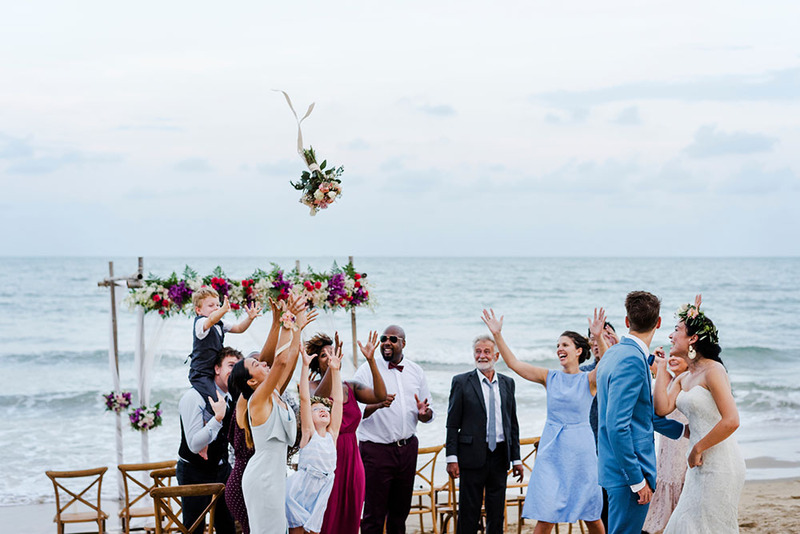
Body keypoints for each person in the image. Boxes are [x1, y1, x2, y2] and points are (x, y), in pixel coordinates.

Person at [481, 309, 604, 534]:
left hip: (581, 451)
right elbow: (514, 364)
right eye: (558, 345)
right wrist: (497, 335)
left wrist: (599, 337)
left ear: (578, 351)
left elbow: (606, 366)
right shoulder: (549, 377)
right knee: (547, 514)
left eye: (564, 345)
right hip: (552, 450)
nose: (559, 349)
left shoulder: (589, 380)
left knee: (591, 514)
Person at [595, 291, 686, 534]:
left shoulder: (613, 354)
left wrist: (684, 431)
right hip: (628, 472)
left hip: (614, 466)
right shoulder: (632, 360)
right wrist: (637, 480)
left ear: (627, 321)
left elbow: (641, 415)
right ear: (658, 322)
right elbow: (617, 426)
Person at [654, 296, 745, 533]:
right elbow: (661, 409)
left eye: (677, 330)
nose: (671, 336)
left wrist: (697, 448)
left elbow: (732, 420)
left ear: (693, 339)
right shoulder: (684, 377)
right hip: (698, 465)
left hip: (720, 463)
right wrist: (662, 369)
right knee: (684, 524)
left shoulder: (713, 370)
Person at [230, 294, 315, 534]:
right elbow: (279, 362)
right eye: (256, 365)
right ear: (251, 381)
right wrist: (287, 319)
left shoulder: (274, 393)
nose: (262, 363)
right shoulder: (256, 401)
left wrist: (297, 325)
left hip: (275, 477)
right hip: (262, 479)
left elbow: (289, 359)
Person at [355, 325, 435, 534]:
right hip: (376, 450)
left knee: (400, 513)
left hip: (407, 449)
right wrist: (378, 404)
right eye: (383, 339)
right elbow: (355, 412)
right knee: (373, 513)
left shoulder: (416, 371)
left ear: (403, 343)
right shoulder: (366, 370)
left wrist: (423, 413)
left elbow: (428, 413)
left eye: (392, 339)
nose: (387, 342)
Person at [307, 331, 388, 534]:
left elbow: (380, 395)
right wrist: (333, 371)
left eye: (333, 352)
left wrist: (370, 361)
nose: (331, 357)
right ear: (317, 363)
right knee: (327, 519)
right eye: (324, 355)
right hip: (327, 460)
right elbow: (318, 398)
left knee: (351, 518)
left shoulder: (351, 387)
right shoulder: (312, 386)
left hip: (353, 461)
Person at [445, 334, 524, 534]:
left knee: (496, 512)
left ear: (496, 355)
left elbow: (512, 424)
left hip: (499, 456)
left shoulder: (508, 383)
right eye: (478, 352)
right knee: (468, 512)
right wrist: (451, 458)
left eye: (487, 351)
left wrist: (516, 458)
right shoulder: (461, 382)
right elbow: (452, 424)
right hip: (471, 456)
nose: (482, 356)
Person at [177, 346, 242, 534]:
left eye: (238, 366)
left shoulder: (233, 398)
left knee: (228, 527)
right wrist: (217, 418)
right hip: (194, 473)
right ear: (217, 368)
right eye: (230, 365)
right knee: (194, 529)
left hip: (222, 470)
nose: (234, 370)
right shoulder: (194, 396)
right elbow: (194, 444)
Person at [286, 343, 344, 534]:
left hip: (323, 487)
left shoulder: (332, 434)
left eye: (324, 409)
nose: (323, 410)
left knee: (314, 530)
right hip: (301, 487)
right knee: (297, 529)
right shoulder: (309, 434)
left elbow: (337, 403)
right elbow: (304, 398)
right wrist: (303, 366)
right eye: (316, 409)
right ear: (307, 419)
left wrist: (335, 371)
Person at [189, 286, 261, 409]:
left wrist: (250, 318)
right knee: (216, 402)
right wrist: (222, 311)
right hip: (201, 374)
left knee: (236, 394)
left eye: (218, 305)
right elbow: (211, 319)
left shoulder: (220, 323)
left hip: (215, 371)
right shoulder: (200, 324)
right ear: (199, 310)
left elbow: (239, 328)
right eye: (211, 306)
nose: (216, 308)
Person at [642, 353, 689, 534]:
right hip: (667, 447)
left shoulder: (688, 384)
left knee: (678, 484)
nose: (673, 358)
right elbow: (653, 364)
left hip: (682, 445)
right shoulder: (670, 380)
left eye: (679, 356)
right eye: (671, 355)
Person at [582, 308, 619, 531]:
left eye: (605, 336)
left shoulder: (623, 369)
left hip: (618, 449)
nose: (598, 342)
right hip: (591, 451)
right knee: (598, 509)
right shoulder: (583, 372)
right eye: (594, 338)